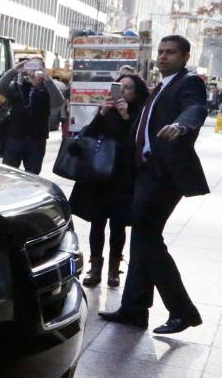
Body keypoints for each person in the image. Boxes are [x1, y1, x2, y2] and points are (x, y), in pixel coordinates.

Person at [100, 35, 209, 335]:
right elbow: (143, 126)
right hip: (145, 172)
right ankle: (134, 309)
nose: (162, 57)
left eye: (170, 53)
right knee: (142, 238)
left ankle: (182, 310)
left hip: (165, 174)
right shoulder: (160, 86)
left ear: (185, 56)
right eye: (160, 52)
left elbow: (195, 109)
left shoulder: (188, 82)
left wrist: (182, 125)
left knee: (147, 237)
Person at [69, 73, 149, 288]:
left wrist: (125, 116)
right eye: (119, 87)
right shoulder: (106, 110)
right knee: (97, 222)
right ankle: (95, 268)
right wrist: (102, 113)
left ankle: (114, 269)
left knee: (118, 224)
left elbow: (137, 142)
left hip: (123, 176)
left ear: (136, 92)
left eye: (128, 88)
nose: (122, 92)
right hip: (100, 174)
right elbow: (88, 135)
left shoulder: (140, 114)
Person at [0, 58, 64, 173]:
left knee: (33, 175)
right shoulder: (17, 86)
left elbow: (58, 103)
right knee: (8, 173)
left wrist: (48, 79)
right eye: (31, 66)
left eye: (38, 67)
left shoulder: (48, 89)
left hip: (36, 141)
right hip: (14, 138)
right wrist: (14, 70)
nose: (34, 71)